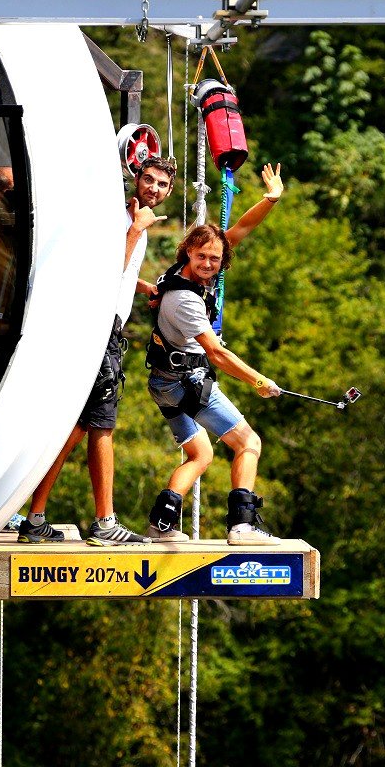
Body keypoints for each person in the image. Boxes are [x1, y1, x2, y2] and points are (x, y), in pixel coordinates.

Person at [15, 156, 175, 545]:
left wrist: (147, 289)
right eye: (148, 179)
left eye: (161, 184)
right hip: (96, 328)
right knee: (99, 425)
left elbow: (123, 271)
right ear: (136, 179)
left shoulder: (137, 222)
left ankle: (35, 516)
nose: (153, 188)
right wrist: (136, 230)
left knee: (77, 428)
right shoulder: (123, 221)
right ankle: (104, 523)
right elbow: (101, 273)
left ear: (168, 192)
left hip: (106, 329)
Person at [144, 223, 283, 546]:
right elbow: (216, 353)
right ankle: (242, 527)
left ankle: (161, 523)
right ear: (189, 252)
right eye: (202, 257)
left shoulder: (180, 272)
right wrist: (258, 380)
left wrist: (270, 201)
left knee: (200, 454)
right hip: (186, 382)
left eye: (215, 259)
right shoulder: (186, 300)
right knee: (248, 442)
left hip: (163, 382)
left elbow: (237, 231)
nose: (208, 264)